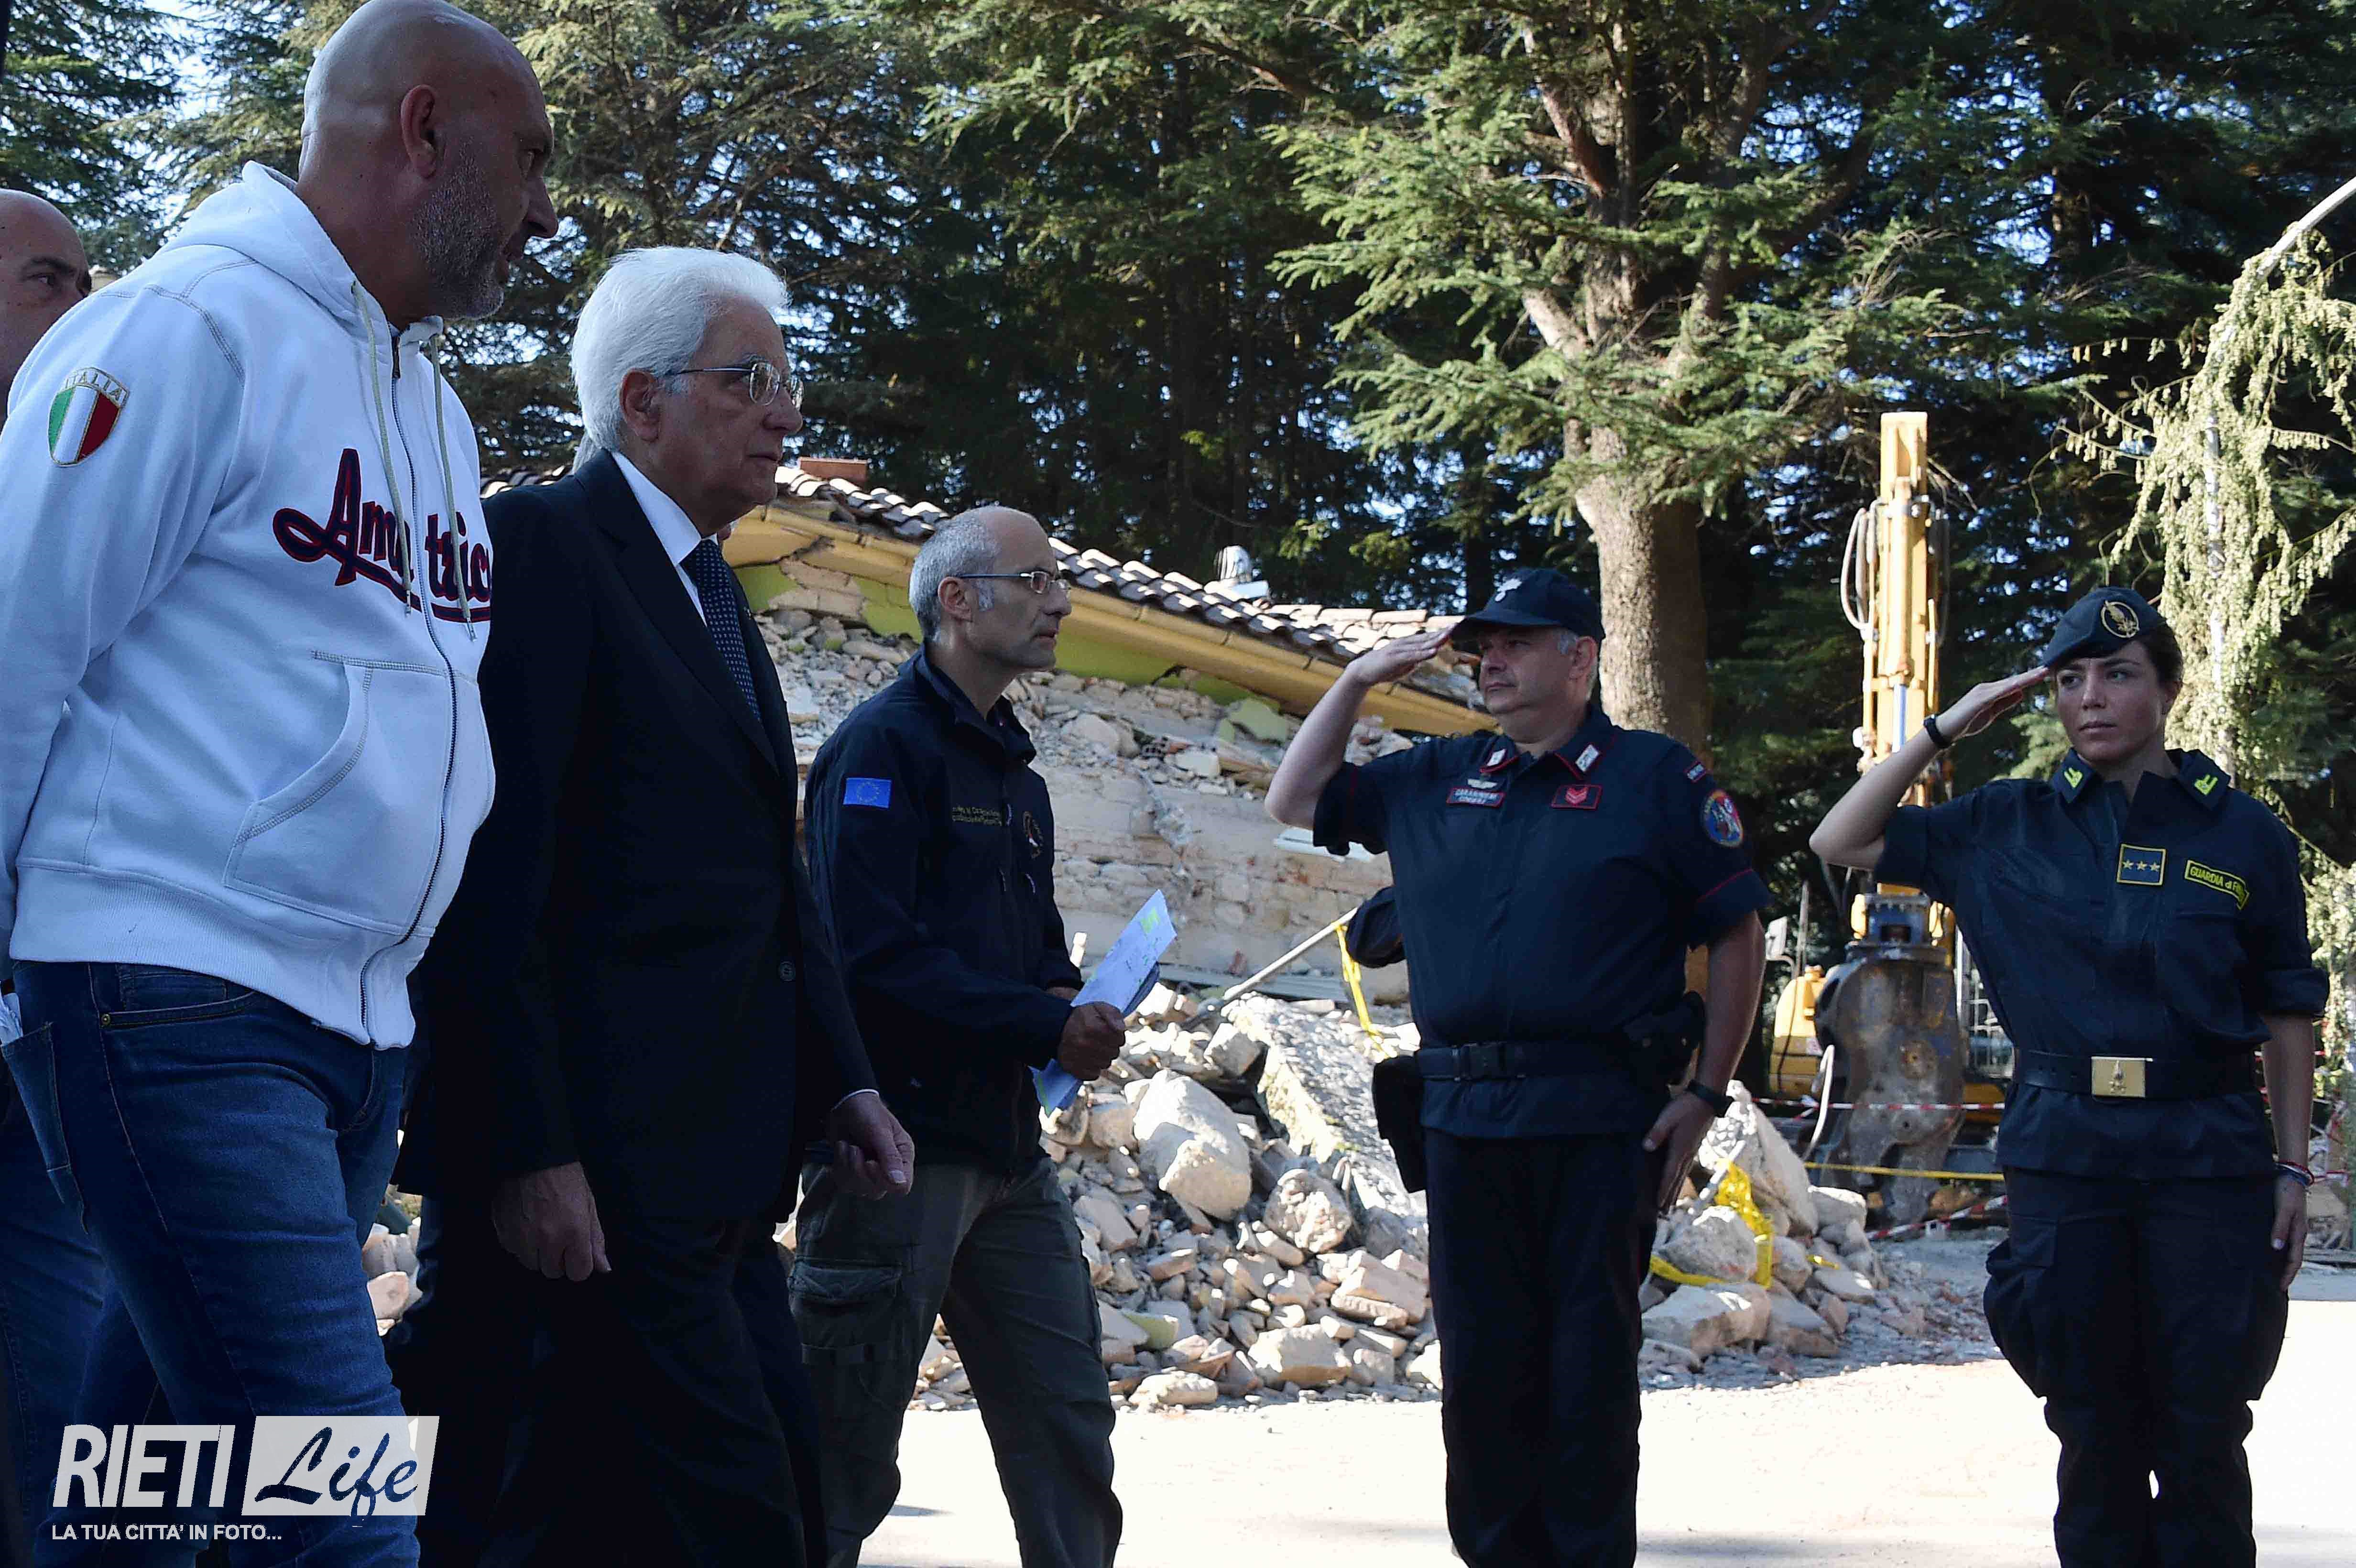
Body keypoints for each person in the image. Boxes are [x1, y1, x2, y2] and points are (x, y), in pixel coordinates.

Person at [0, 2, 554, 1560]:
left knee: (145, 1509)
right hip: (173, 999)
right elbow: (15, 642)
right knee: (340, 1508)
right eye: (530, 159)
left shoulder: (435, 416)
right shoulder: (184, 331)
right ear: (424, 129)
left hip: (354, 1033)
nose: (546, 209)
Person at [391, 246, 914, 1568]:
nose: (787, 414)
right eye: (752, 381)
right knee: (714, 1512)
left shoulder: (714, 592)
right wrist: (525, 1150)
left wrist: (844, 1079)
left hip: (715, 1173)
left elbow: (769, 878)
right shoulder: (545, 549)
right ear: (641, 401)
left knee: (692, 1500)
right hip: (593, 1176)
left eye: (788, 382)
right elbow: (492, 875)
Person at [1264, 567, 1770, 1568]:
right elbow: (1295, 796)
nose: (1490, 662)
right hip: (1462, 1118)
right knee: (1483, 1377)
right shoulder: (1440, 773)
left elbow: (1737, 933)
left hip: (1598, 1118)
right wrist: (1356, 680)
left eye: (1517, 643)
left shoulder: (1654, 779)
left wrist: (1708, 1094)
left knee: (1587, 1373)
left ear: (1581, 658)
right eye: (1482, 646)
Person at [1810, 586, 2318, 1568]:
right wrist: (1946, 727)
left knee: (2206, 1424)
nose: (2090, 697)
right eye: (2070, 680)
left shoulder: (2242, 834)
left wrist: (2293, 1166)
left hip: (2206, 1150)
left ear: (2166, 691)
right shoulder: (2005, 822)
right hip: (2067, 1152)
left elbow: (2288, 1010)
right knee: (2092, 1424)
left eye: (2118, 674)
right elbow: (1841, 840)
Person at [794, 508, 1126, 1568]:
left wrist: (1069, 995)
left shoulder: (1017, 776)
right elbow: (867, 953)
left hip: (1008, 1148)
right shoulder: (880, 747)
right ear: (956, 600)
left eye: (1060, 581)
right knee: (841, 1447)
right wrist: (1042, 1021)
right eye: (1036, 581)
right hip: (895, 1147)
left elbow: (1034, 940)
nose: (1061, 602)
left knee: (1068, 1422)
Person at [0, 188, 102, 1568]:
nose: (84, 306)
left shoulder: (94, 485)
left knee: (71, 1397)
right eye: (45, 280)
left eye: (86, 276)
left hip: (54, 1013)